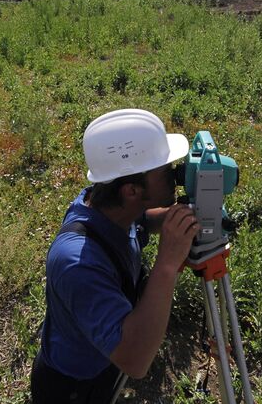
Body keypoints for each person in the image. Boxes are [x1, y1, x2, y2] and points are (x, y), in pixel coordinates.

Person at [30, 109, 200, 404]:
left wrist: (180, 217)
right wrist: (168, 263)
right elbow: (135, 362)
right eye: (165, 169)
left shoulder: (109, 206)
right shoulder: (77, 264)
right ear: (132, 190)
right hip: (73, 388)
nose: (176, 174)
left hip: (104, 362)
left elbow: (143, 220)